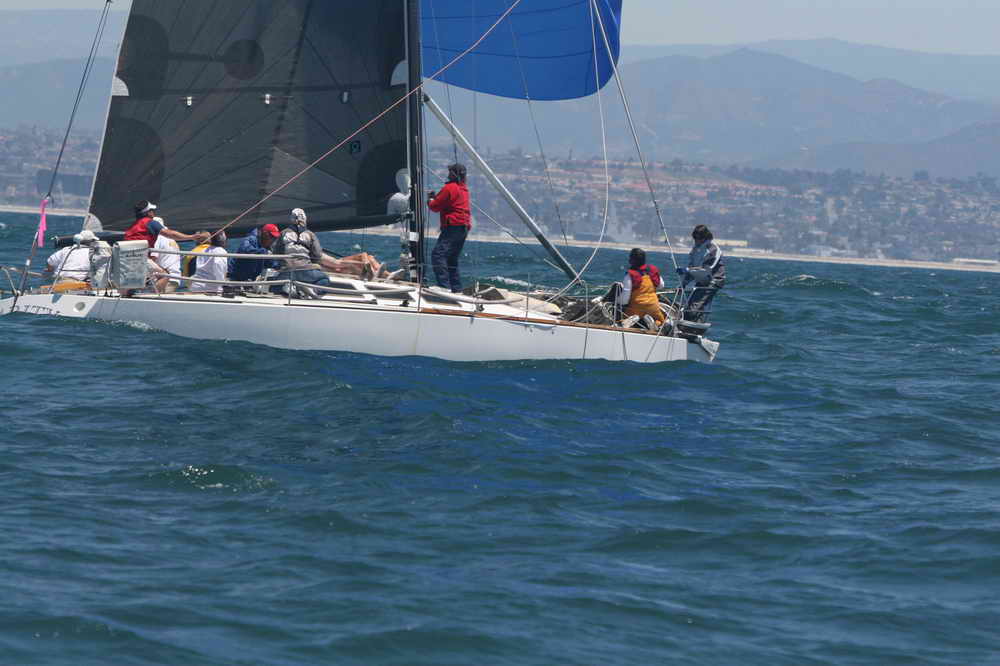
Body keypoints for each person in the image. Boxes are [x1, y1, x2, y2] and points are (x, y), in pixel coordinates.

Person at [428, 163, 471, 292]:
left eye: (450, 172)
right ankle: (456, 289)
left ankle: (444, 287)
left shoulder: (449, 188)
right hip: (463, 227)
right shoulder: (464, 189)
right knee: (451, 259)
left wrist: (430, 199)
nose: (448, 174)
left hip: (453, 226)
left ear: (453, 174)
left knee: (438, 255)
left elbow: (434, 207)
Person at [272, 208, 334, 293]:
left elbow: (275, 251)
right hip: (306, 271)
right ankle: (312, 291)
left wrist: (282, 262)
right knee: (325, 279)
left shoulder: (284, 233)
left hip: (288, 271)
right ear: (305, 219)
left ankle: (286, 289)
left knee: (273, 287)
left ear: (291, 219)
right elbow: (317, 254)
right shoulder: (310, 234)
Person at [676, 224, 726, 322]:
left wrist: (687, 270)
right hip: (702, 280)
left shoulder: (713, 249)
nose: (696, 241)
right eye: (695, 238)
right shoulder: (696, 249)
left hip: (713, 280)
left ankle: (693, 324)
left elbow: (706, 270)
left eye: (698, 238)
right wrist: (683, 284)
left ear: (704, 237)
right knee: (688, 306)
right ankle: (694, 322)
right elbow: (692, 267)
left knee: (694, 308)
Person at [615, 248, 665, 329]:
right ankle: (656, 324)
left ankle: (636, 322)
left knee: (620, 319)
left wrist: (616, 300)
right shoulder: (652, 270)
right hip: (653, 307)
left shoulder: (630, 275)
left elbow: (624, 300)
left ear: (632, 260)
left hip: (637, 309)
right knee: (660, 320)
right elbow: (661, 285)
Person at [124, 200, 208, 247]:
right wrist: (192, 237)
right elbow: (170, 234)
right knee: (163, 273)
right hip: (140, 258)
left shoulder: (132, 226)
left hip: (127, 257)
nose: (154, 212)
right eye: (152, 210)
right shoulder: (151, 223)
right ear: (148, 212)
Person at [149, 217, 181, 293]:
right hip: (175, 277)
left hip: (164, 278)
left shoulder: (157, 238)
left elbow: (153, 258)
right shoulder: (172, 239)